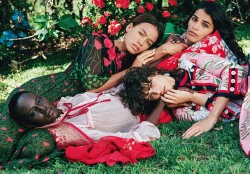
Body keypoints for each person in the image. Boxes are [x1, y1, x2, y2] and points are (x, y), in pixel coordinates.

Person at [1, 13, 189, 168]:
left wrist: (163, 50)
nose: (142, 43)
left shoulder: (130, 60)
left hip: (65, 108)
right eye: (141, 33)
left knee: (31, 143)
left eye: (148, 42)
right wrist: (133, 69)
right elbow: (92, 84)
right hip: (50, 90)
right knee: (4, 139)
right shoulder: (99, 41)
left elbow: (140, 75)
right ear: (129, 27)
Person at [120, 52, 246, 138]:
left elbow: (232, 69)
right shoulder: (181, 111)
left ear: (153, 73)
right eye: (151, 96)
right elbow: (233, 112)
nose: (157, 92)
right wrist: (193, 97)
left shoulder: (188, 61)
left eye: (152, 85)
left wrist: (212, 117)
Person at [8, 86, 161, 148]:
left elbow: (108, 92)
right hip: (144, 109)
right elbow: (131, 137)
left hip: (133, 91)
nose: (43, 108)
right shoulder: (70, 132)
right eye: (33, 112)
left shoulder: (64, 103)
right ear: (29, 124)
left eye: (39, 101)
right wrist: (162, 103)